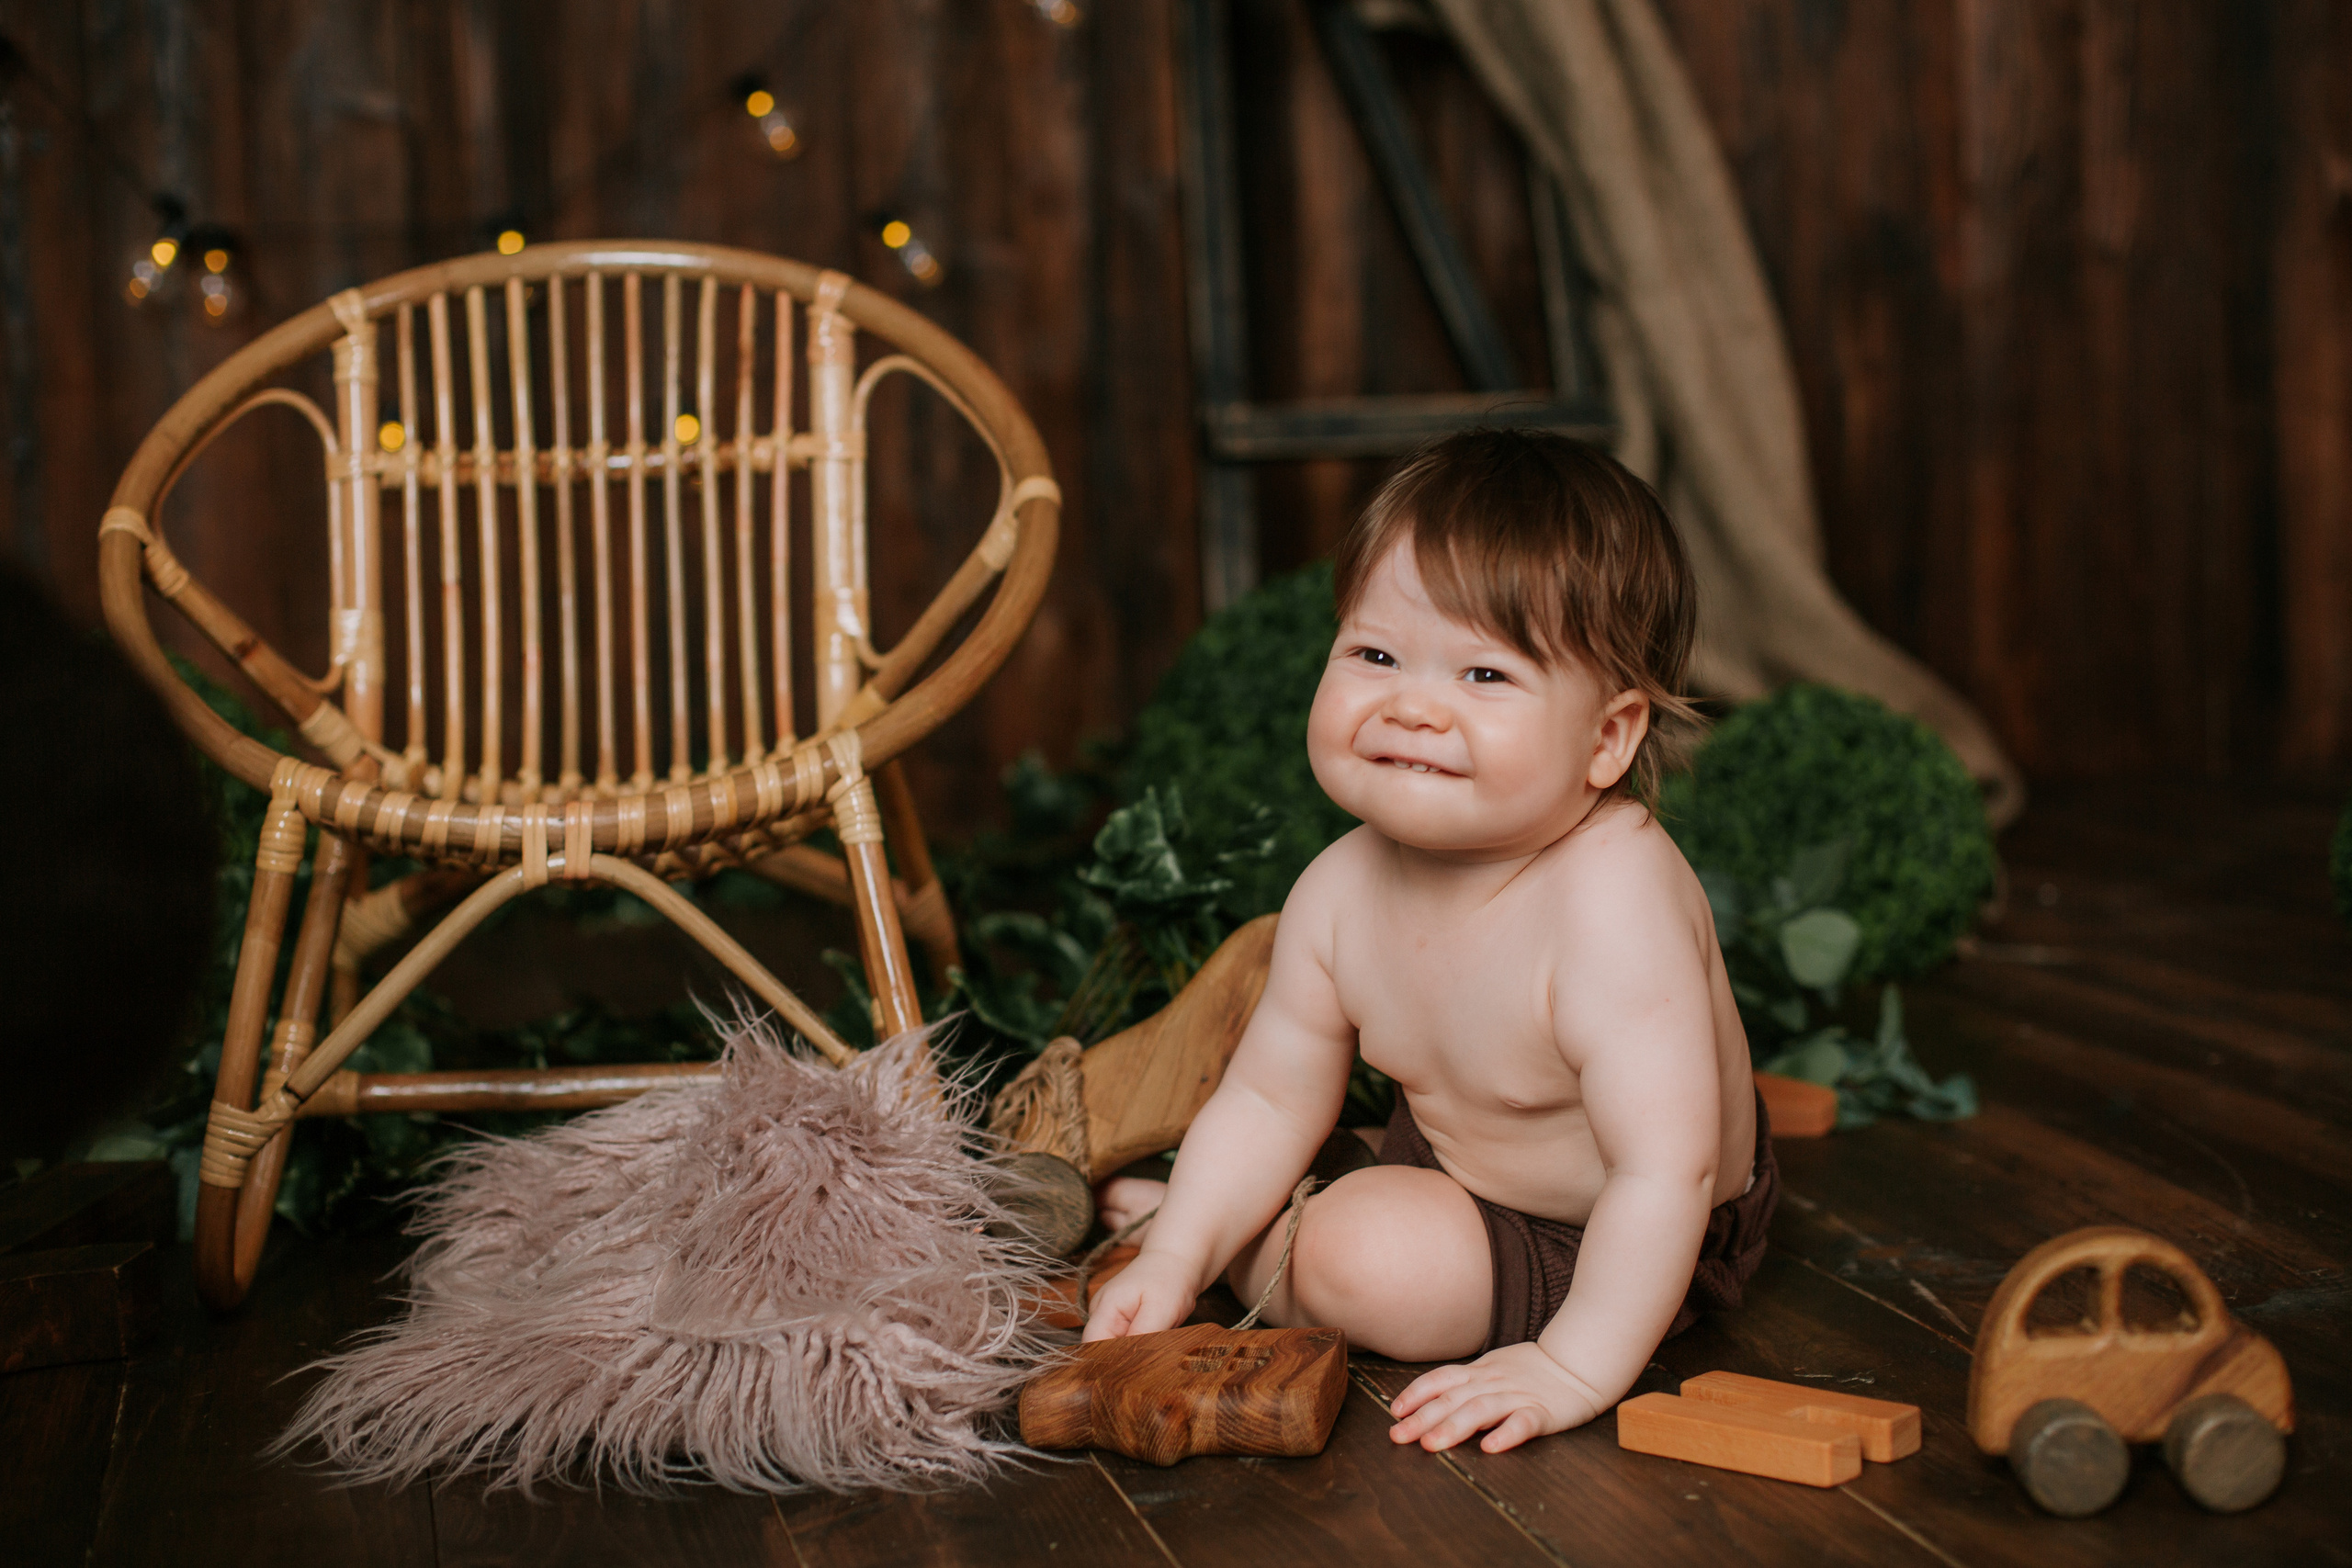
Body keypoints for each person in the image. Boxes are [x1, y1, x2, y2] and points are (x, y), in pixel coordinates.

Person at [1082, 429, 1777, 1456]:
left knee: (1360, 1259)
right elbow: (1272, 1094)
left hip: (1616, 1234)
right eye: (1374, 655)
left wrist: (1573, 1364)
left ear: (1606, 739)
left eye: (1484, 676)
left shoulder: (1610, 900)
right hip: (1456, 1167)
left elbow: (1662, 1172)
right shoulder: (1339, 889)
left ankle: (1265, 1241)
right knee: (1261, 1151)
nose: (1411, 706)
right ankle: (1211, 1229)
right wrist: (1174, 1258)